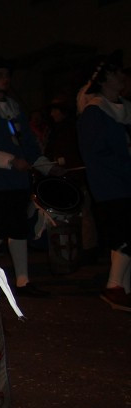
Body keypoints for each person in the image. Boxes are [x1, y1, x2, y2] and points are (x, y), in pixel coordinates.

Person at [0, 57, 56, 297]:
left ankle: (18, 280)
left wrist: (47, 167)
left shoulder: (15, 108)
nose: (5, 79)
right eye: (0, 75)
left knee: (11, 227)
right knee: (5, 226)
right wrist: (11, 161)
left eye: (7, 75)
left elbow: (29, 147)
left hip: (17, 181)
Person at [77, 52, 131, 311]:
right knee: (124, 235)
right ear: (107, 76)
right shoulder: (95, 111)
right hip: (111, 185)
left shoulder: (125, 108)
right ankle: (114, 286)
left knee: (124, 236)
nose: (124, 78)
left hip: (124, 181)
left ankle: (124, 288)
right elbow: (96, 154)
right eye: (119, 72)